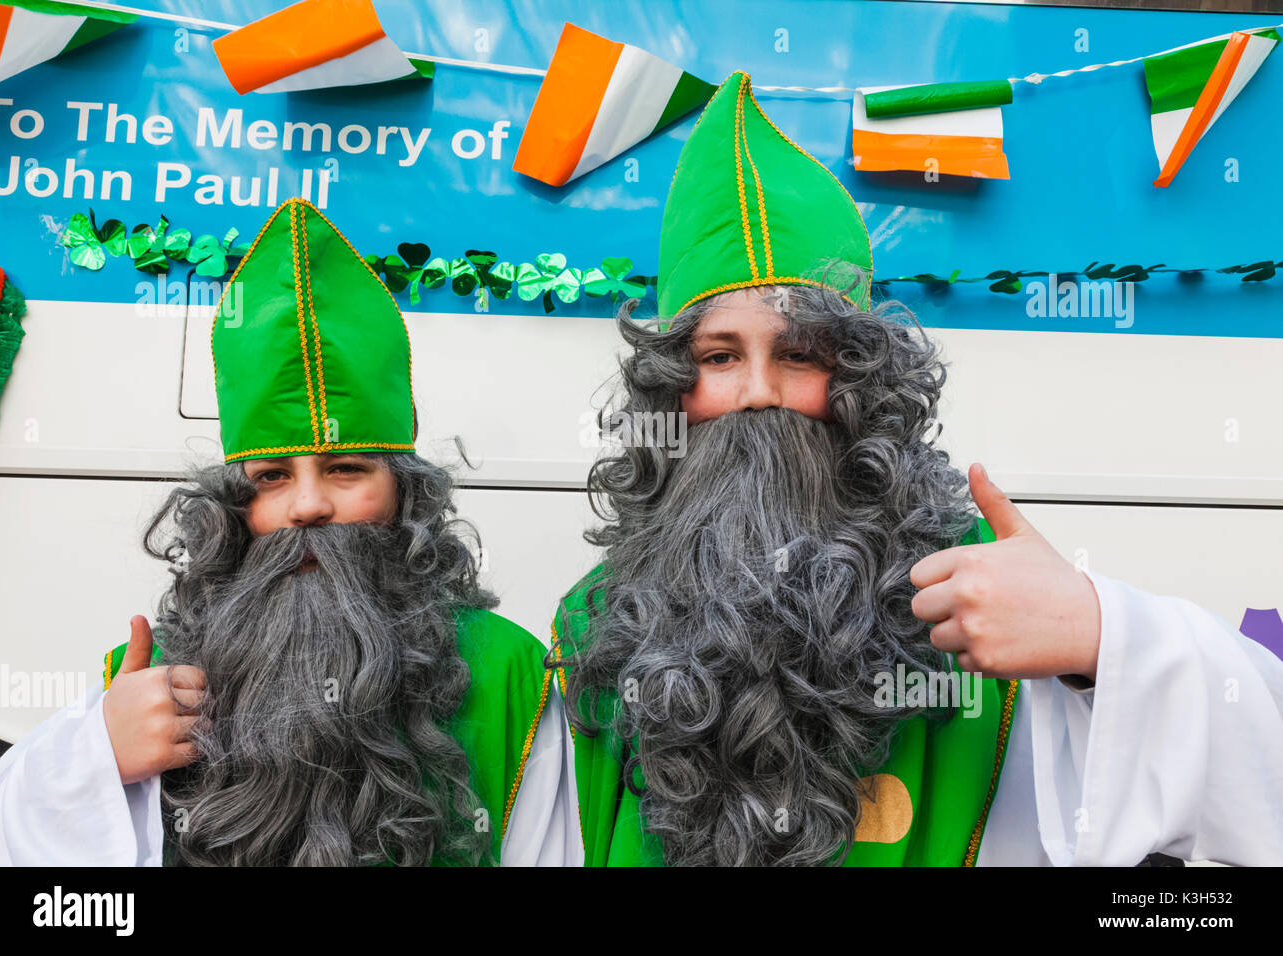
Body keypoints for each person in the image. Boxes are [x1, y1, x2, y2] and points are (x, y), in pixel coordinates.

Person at [549, 71, 1283, 866]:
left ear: (859, 381)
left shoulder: (978, 589)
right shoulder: (596, 621)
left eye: (798, 355)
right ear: (672, 388)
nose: (759, 392)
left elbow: (1251, 772)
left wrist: (1096, 635)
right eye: (720, 357)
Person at [0, 197, 577, 866]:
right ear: (230, 508)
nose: (308, 506)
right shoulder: (150, 681)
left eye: (346, 469)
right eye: (271, 477)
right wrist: (96, 757)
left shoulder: (508, 671)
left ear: (405, 493)